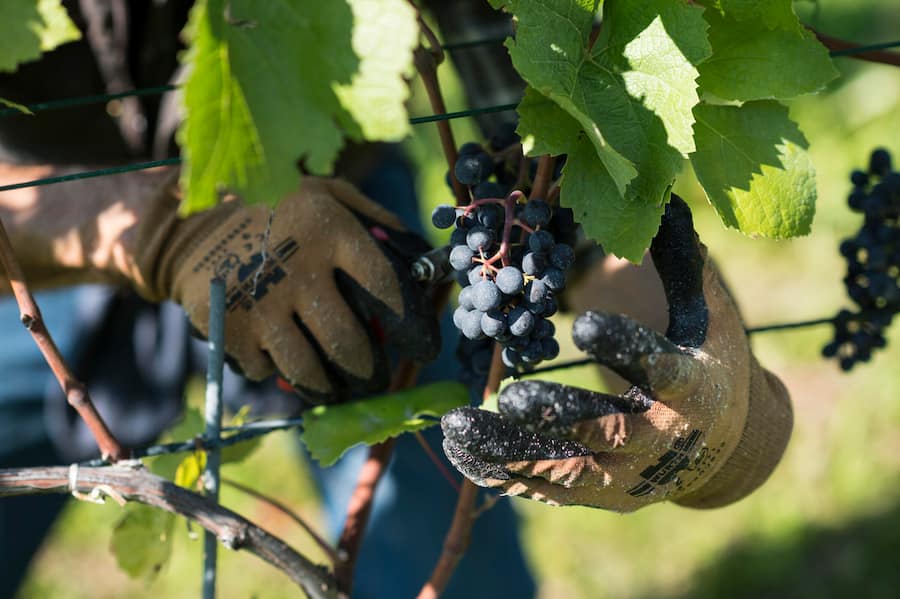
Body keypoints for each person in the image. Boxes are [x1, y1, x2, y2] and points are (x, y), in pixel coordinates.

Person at [0, 1, 793, 597]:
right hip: (34, 245)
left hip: (328, 234)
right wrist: (158, 226)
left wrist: (713, 406)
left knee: (448, 558)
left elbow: (559, 162)